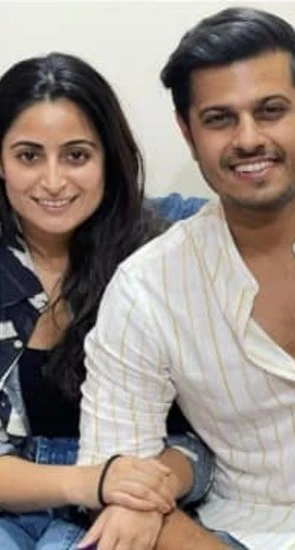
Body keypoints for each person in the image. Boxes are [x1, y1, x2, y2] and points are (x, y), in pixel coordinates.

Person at [75, 7, 295, 549]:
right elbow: (119, 479)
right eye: (219, 119)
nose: (248, 139)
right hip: (254, 532)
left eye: (270, 111)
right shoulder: (148, 289)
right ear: (188, 133)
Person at [0, 53, 212, 549]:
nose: (54, 181)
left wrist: (142, 491)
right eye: (29, 156)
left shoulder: (167, 248)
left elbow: (207, 437)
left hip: (144, 495)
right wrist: (93, 481)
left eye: (76, 156)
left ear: (109, 159)